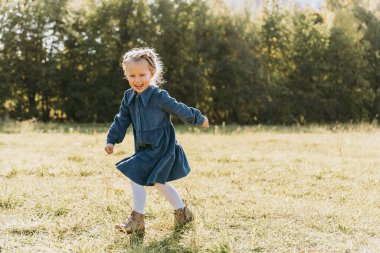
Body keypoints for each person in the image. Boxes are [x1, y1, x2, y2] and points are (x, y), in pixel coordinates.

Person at [104, 47, 209, 236]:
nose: (137, 80)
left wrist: (199, 119)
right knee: (159, 183)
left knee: (135, 174)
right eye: (132, 75)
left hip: (162, 147)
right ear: (126, 75)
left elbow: (179, 109)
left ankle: (137, 221)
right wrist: (112, 139)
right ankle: (183, 213)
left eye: (142, 75)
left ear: (152, 73)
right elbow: (122, 119)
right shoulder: (129, 97)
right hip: (145, 148)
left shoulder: (159, 96)